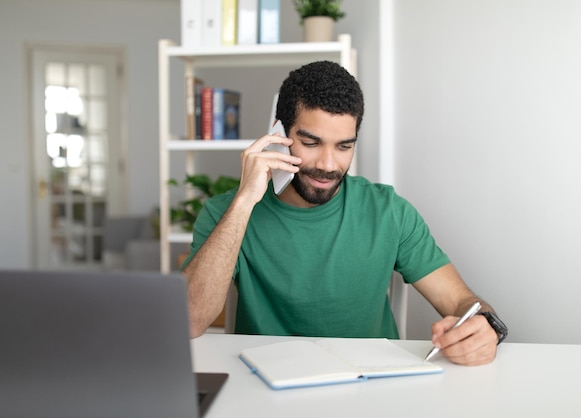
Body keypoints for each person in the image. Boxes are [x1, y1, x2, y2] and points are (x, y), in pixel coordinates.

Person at [182, 61, 507, 366]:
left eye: (343, 146)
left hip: (369, 387)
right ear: (277, 135)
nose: (328, 165)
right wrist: (244, 202)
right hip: (266, 386)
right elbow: (187, 321)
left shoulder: (388, 211)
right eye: (311, 142)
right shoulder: (225, 212)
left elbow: (461, 302)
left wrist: (483, 326)